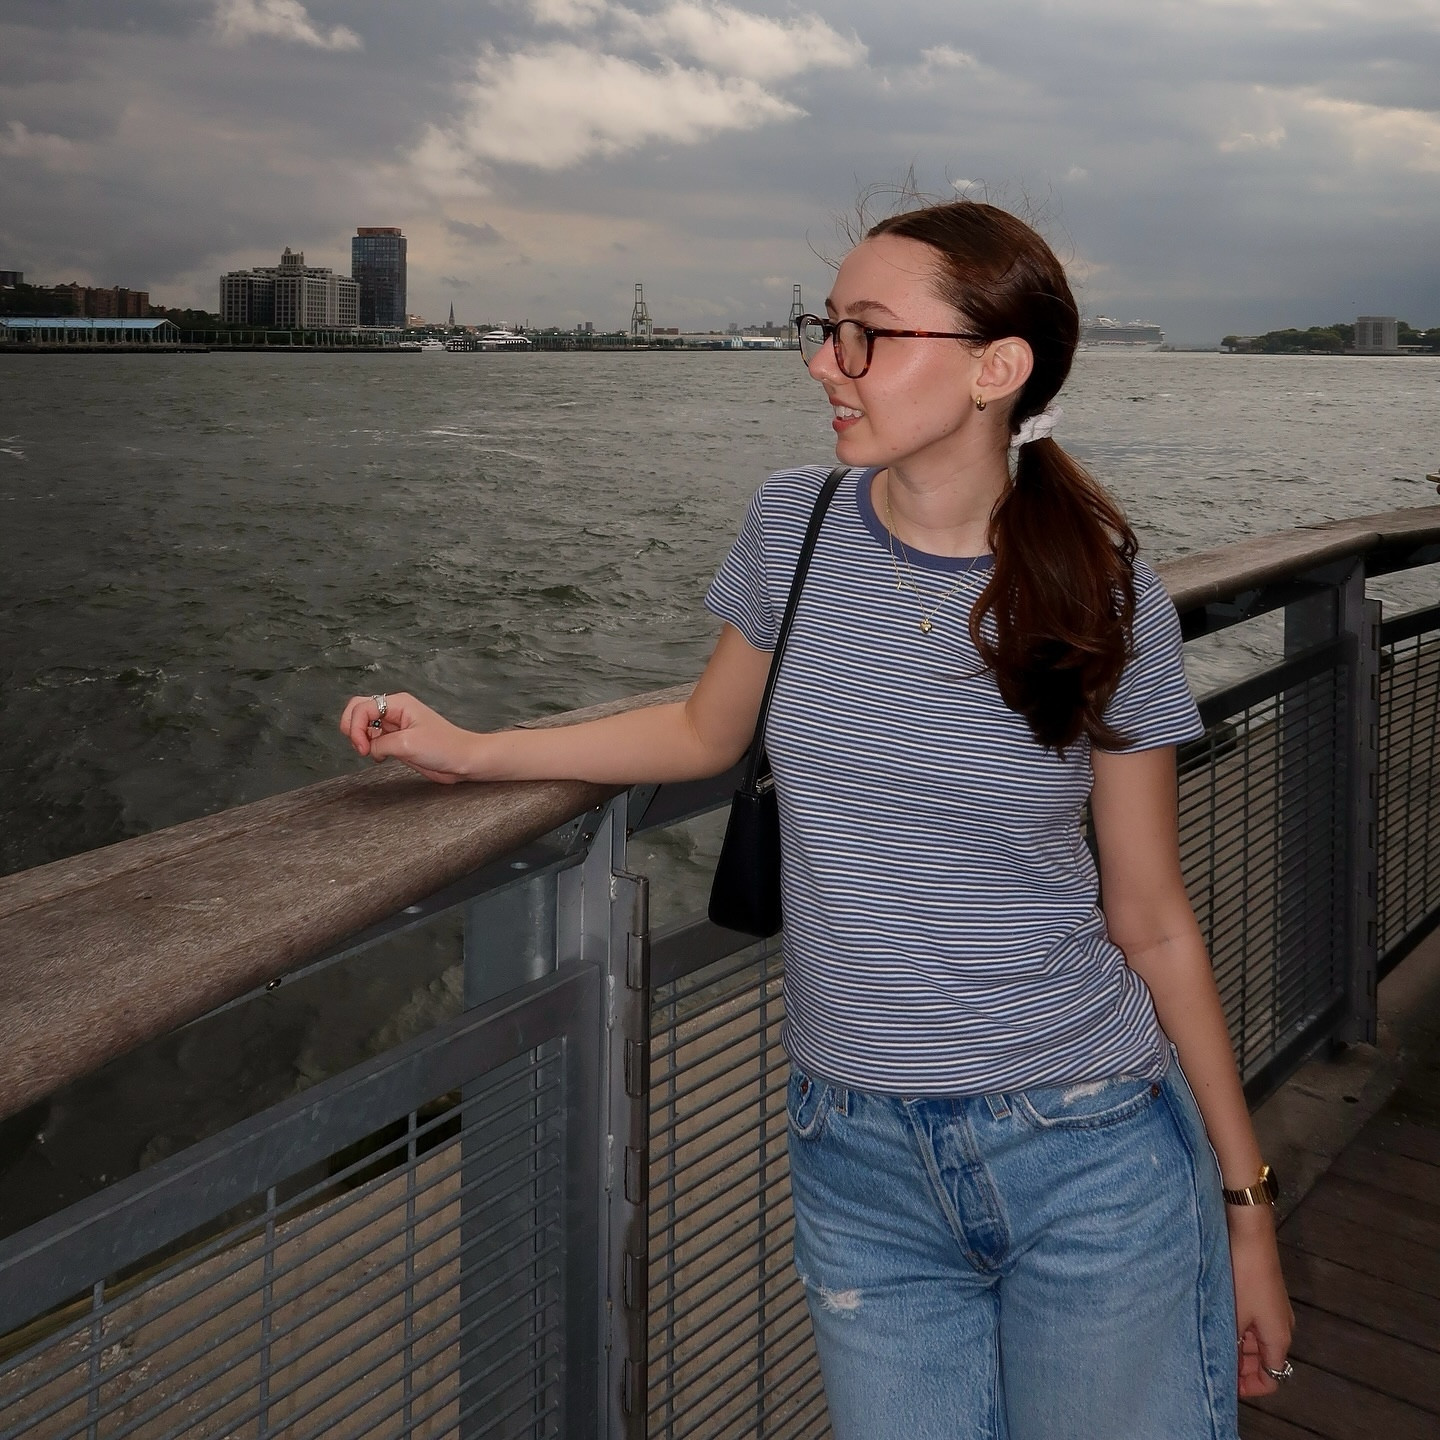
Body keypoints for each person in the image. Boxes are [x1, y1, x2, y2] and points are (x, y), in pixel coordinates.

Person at [341, 198, 1293, 1439]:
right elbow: (702, 733)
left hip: (1088, 1145)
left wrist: (1245, 1205)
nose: (821, 361)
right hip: (857, 1156)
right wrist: (474, 751)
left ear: (999, 370)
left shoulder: (1104, 596)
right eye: (825, 325)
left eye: (866, 335)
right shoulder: (795, 526)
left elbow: (1152, 917)